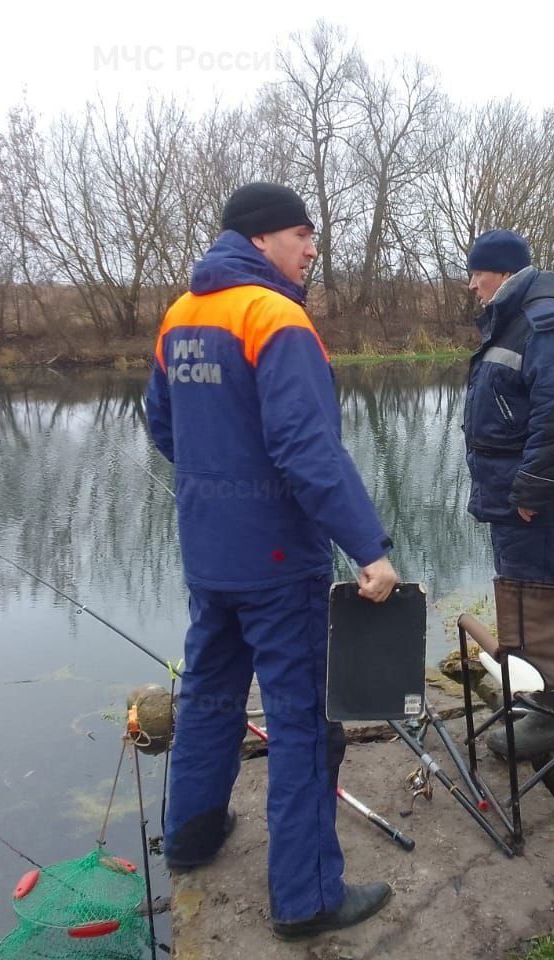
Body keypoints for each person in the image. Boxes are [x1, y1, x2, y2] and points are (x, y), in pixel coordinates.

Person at [146, 182, 397, 941]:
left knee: (211, 697)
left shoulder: (182, 314)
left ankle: (189, 838)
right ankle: (307, 899)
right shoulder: (273, 316)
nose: (311, 247)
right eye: (300, 234)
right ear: (259, 240)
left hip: (209, 554)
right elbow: (306, 449)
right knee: (301, 724)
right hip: (278, 560)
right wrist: (370, 547)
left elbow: (162, 424)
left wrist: (214, 493)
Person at [462, 228, 554, 759]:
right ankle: (547, 697)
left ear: (501, 272)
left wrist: (532, 490)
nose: (472, 284)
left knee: (538, 603)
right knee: (533, 598)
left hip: (535, 504)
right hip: (518, 497)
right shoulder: (520, 316)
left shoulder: (545, 322)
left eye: (477, 272)